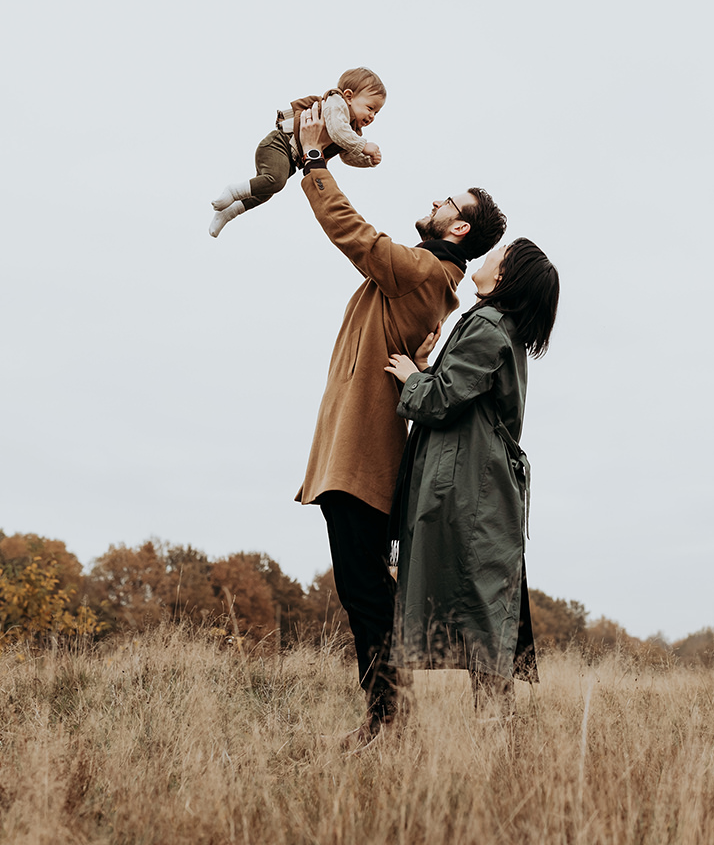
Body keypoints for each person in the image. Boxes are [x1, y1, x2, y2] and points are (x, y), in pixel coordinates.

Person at [294, 101, 507, 746]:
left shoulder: (422, 273)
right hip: (350, 454)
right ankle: (389, 713)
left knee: (363, 591)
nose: (438, 202)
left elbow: (354, 234)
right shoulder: (419, 277)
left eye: (450, 202)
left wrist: (312, 163)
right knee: (361, 588)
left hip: (363, 460)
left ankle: (388, 717)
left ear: (461, 230)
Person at [383, 237, 560, 719]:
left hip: (474, 488)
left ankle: (492, 731)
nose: (484, 260)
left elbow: (439, 401)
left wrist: (410, 375)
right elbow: (462, 393)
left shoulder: (487, 324)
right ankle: (494, 730)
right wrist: (426, 368)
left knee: (482, 608)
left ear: (502, 278)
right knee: (488, 606)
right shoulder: (504, 329)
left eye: (494, 258)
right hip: (489, 484)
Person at [208, 67, 386, 238]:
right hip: (280, 143)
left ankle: (228, 213)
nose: (372, 116)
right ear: (348, 96)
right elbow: (337, 130)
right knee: (276, 181)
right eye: (370, 108)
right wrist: (363, 145)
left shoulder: (351, 132)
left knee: (266, 192)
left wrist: (367, 160)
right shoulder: (336, 103)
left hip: (289, 159)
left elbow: (347, 155)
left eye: (377, 113)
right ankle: (232, 191)